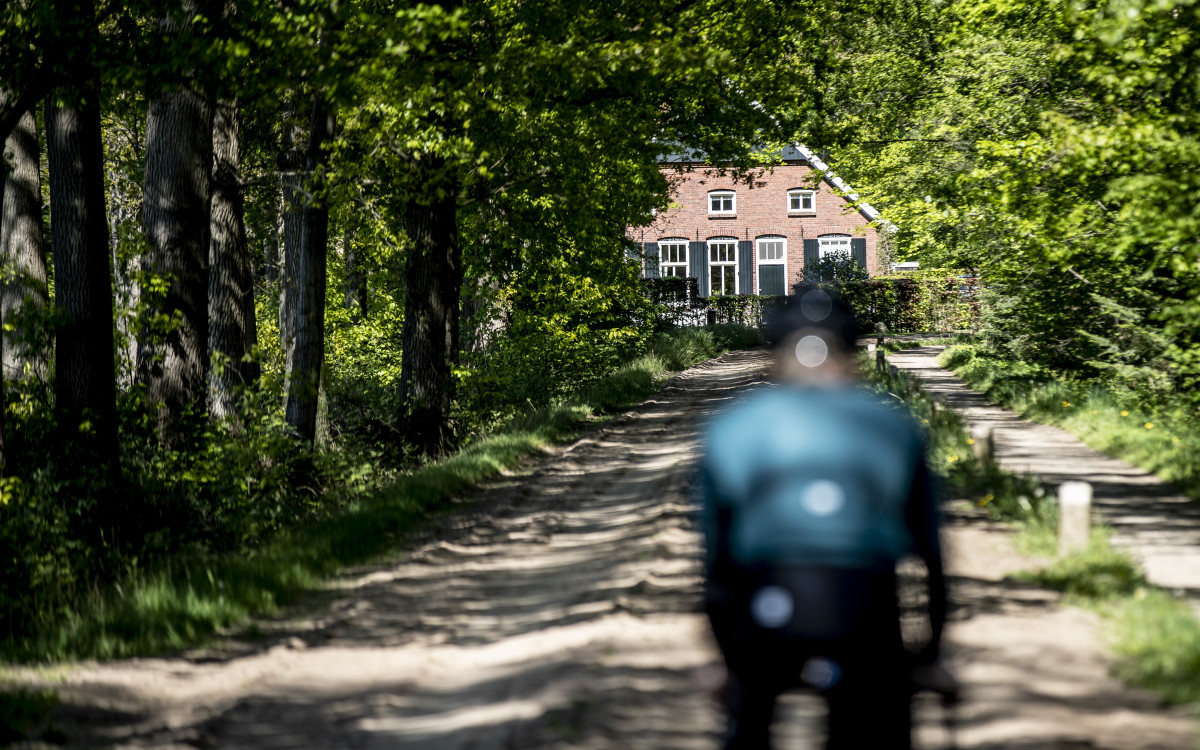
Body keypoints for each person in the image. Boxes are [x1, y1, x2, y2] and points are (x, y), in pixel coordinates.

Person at [697, 289, 954, 749]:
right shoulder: (893, 424)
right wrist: (927, 657)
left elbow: (717, 562)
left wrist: (729, 662)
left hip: (767, 603)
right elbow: (931, 555)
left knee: (750, 720)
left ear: (773, 353)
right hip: (866, 604)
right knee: (878, 724)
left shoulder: (732, 424)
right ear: (853, 351)